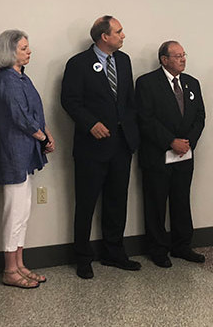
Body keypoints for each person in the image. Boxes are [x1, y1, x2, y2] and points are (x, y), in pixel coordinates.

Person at [60, 15, 141, 279]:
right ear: (104, 36)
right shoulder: (79, 64)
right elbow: (69, 101)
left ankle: (114, 252)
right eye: (118, 31)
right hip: (92, 147)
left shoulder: (124, 61)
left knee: (117, 201)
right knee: (86, 203)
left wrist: (130, 130)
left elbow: (129, 100)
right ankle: (83, 257)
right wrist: (90, 123)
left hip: (121, 144)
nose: (123, 35)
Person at [0, 29, 54, 289]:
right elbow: (20, 117)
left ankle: (19, 264)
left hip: (25, 153)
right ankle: (9, 269)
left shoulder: (21, 78)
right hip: (12, 154)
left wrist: (46, 133)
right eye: (24, 48)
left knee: (23, 211)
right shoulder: (6, 79)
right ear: (9, 51)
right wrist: (43, 137)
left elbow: (35, 112)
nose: (29, 52)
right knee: (13, 212)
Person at [135, 41, 206, 268]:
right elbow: (145, 119)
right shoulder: (147, 83)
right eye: (177, 56)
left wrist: (188, 143)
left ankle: (182, 245)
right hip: (157, 155)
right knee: (156, 202)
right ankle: (157, 248)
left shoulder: (192, 83)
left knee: (181, 200)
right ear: (164, 59)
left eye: (184, 55)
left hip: (185, 154)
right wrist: (170, 142)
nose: (183, 59)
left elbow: (200, 117)